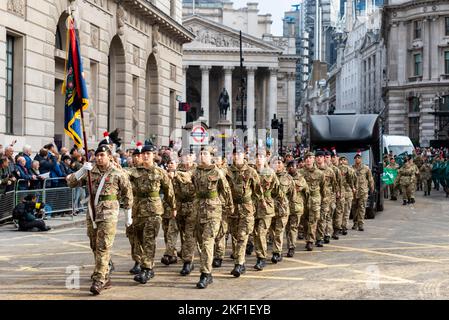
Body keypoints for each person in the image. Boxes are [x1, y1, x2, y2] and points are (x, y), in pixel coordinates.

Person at [67, 144, 133, 295]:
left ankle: (99, 280)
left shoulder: (118, 173)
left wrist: (128, 215)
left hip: (109, 213)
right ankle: (105, 271)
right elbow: (71, 183)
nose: (99, 158)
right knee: (94, 244)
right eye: (97, 155)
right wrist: (82, 170)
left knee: (103, 245)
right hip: (92, 213)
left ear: (109, 156)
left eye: (102, 155)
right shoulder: (91, 171)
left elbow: (127, 194)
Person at [129, 144, 176, 285]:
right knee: (139, 240)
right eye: (144, 154)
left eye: (148, 153)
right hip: (138, 210)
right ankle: (146, 264)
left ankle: (147, 269)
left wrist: (173, 207)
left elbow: (169, 190)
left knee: (149, 239)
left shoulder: (159, 172)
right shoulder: (134, 171)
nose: (145, 156)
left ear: (153, 155)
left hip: (154, 211)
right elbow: (122, 176)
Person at [192, 146, 234, 289]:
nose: (202, 156)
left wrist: (228, 209)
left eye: (205, 154)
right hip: (198, 210)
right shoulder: (196, 172)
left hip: (213, 211)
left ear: (211, 157)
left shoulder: (217, 172)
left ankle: (205, 273)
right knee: (199, 241)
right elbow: (193, 187)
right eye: (201, 153)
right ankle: (207, 270)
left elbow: (226, 190)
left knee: (207, 241)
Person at [225, 147, 262, 277]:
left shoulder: (251, 172)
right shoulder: (227, 172)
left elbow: (258, 192)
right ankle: (240, 261)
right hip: (233, 208)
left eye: (239, 154)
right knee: (235, 236)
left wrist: (255, 207)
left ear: (244, 155)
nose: (237, 156)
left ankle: (239, 264)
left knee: (242, 235)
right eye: (234, 154)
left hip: (246, 208)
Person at [269, 156, 295, 262]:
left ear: (283, 164)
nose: (277, 165)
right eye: (275, 163)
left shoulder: (288, 178)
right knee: (272, 231)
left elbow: (293, 194)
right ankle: (276, 249)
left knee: (279, 231)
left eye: (279, 162)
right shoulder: (268, 176)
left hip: (283, 209)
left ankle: (277, 252)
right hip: (270, 209)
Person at [299, 152, 325, 251]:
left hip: (315, 200)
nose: (308, 160)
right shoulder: (300, 172)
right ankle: (307, 238)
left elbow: (322, 188)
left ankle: (310, 241)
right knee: (304, 222)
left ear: (313, 159)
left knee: (313, 221)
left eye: (310, 158)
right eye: (306, 158)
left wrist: (322, 200)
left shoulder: (319, 173)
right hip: (303, 200)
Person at [286, 160, 309, 257]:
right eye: (289, 166)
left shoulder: (301, 179)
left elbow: (306, 192)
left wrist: (304, 205)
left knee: (293, 227)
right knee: (287, 228)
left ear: (296, 167)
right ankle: (290, 245)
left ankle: (292, 247)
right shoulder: (284, 178)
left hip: (296, 207)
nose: (291, 168)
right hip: (286, 207)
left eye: (293, 166)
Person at [161, 157, 180, 266]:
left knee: (171, 232)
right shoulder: (165, 176)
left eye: (172, 163)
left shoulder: (180, 176)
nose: (170, 165)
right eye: (168, 163)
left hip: (176, 208)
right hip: (165, 207)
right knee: (166, 231)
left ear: (176, 164)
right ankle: (173, 254)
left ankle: (168, 254)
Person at [315, 150, 337, 246]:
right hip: (315, 198)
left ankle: (322, 236)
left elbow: (334, 184)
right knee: (315, 218)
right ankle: (318, 236)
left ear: (324, 158)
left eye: (321, 156)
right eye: (317, 156)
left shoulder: (330, 171)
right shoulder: (313, 170)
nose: (319, 158)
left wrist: (334, 196)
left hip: (326, 198)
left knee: (324, 217)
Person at [352, 151, 374, 231]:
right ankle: (355, 222)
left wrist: (372, 188)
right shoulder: (352, 168)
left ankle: (360, 224)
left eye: (359, 158)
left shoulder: (366, 168)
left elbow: (370, 178)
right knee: (354, 208)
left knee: (362, 207)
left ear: (361, 159)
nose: (357, 159)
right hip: (354, 192)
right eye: (356, 158)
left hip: (363, 191)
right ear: (354, 159)